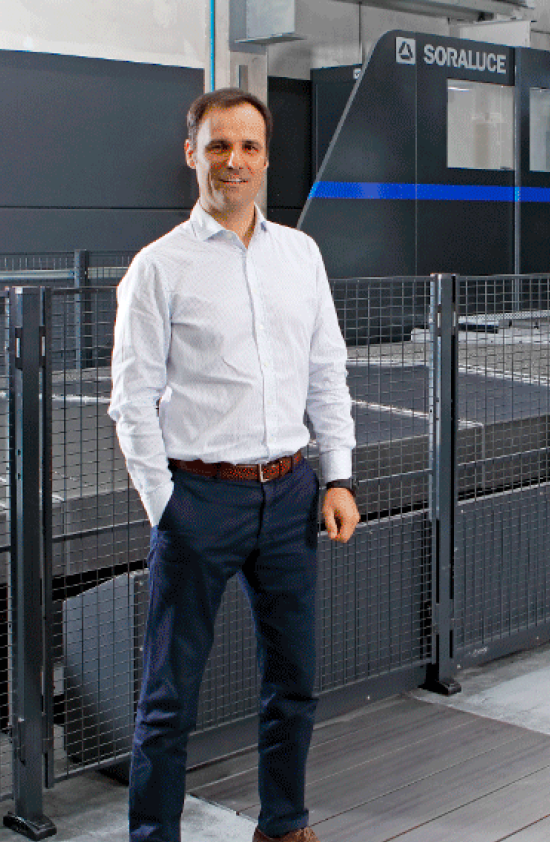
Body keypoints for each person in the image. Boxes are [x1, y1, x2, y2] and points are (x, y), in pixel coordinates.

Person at [109, 87, 360, 842]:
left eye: (249, 146)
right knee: (169, 698)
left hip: (290, 494)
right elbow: (131, 401)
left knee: (294, 681)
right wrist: (168, 509)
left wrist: (337, 477)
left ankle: (283, 825)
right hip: (200, 501)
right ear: (193, 154)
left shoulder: (300, 256)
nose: (234, 161)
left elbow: (326, 371)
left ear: (266, 157)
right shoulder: (159, 268)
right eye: (219, 145)